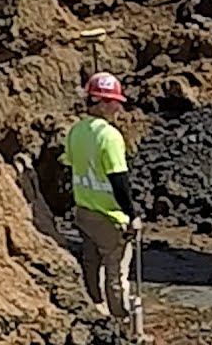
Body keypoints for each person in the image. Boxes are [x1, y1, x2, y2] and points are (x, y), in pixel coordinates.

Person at [61, 71, 142, 319]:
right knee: (116, 272)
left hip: (85, 211)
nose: (119, 107)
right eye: (115, 101)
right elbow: (119, 181)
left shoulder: (76, 131)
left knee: (91, 266)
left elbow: (71, 167)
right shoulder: (109, 136)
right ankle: (120, 321)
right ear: (103, 103)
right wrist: (132, 215)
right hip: (110, 216)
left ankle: (95, 312)